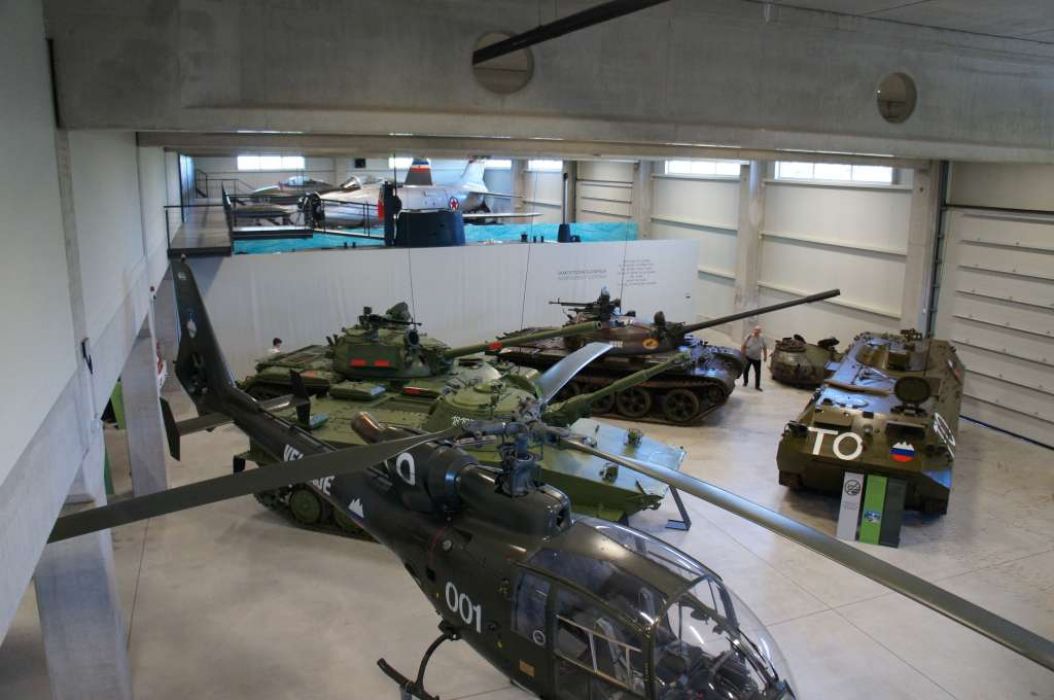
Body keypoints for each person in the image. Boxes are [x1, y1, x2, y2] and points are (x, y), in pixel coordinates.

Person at [741, 326, 767, 391]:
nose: (756, 331)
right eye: (755, 330)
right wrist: (742, 354)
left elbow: (764, 348)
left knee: (758, 372)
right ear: (753, 330)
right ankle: (745, 382)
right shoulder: (749, 337)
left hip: (757, 358)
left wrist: (765, 356)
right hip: (748, 357)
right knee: (746, 370)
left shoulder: (762, 338)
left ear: (760, 332)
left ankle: (757, 386)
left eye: (758, 330)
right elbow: (743, 346)